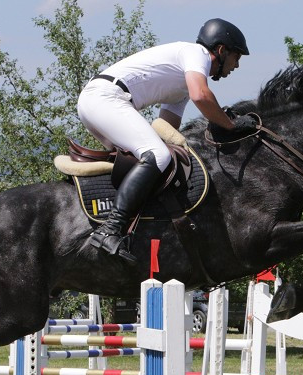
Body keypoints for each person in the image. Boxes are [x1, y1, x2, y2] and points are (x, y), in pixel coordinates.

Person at [76, 18, 253, 264]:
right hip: (106, 98)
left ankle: (131, 228)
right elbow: (201, 96)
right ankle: (110, 228)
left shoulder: (181, 85)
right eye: (237, 57)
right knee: (157, 155)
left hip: (98, 102)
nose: (236, 65)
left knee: (153, 159)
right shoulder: (196, 53)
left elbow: (167, 127)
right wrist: (230, 125)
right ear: (221, 50)